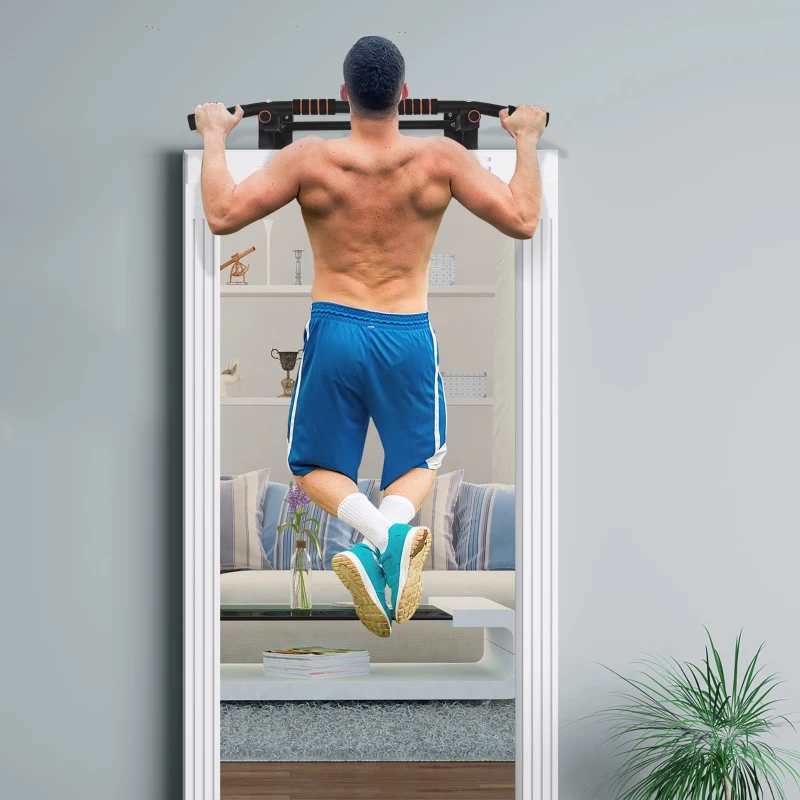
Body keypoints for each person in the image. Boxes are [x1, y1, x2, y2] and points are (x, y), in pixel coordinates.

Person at [194, 35, 545, 639]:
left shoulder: (310, 160)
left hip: (334, 328)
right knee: (423, 458)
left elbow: (222, 214)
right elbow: (523, 218)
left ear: (343, 96)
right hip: (407, 332)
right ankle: (390, 537)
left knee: (309, 467)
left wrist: (214, 136)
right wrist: (526, 140)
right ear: (404, 95)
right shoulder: (440, 159)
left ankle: (376, 539)